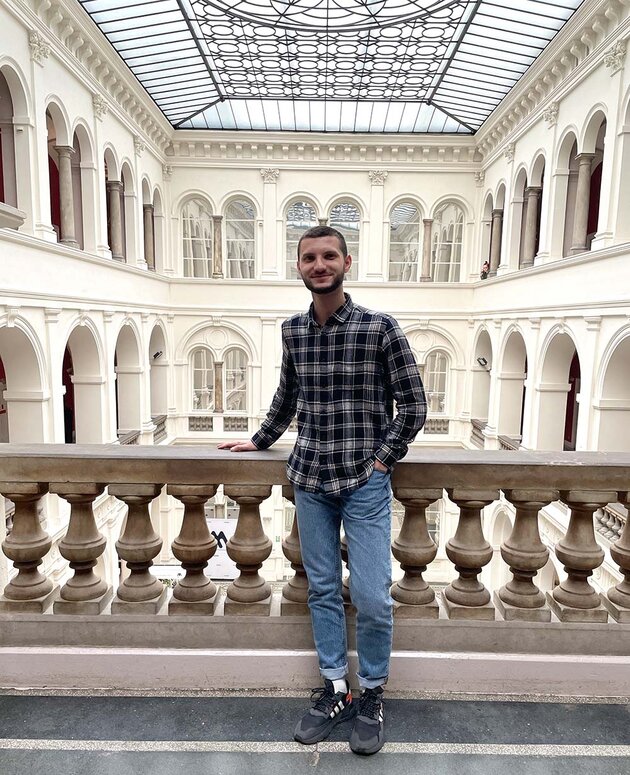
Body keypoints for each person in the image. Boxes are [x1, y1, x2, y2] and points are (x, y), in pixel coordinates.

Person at [218, 226, 426, 756]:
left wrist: (382, 461)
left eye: (328, 255)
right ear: (299, 267)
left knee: (375, 597)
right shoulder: (293, 332)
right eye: (309, 257)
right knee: (322, 591)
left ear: (347, 262)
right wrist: (259, 440)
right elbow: (288, 397)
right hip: (310, 479)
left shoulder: (380, 328)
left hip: (364, 483)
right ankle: (336, 687)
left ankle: (372, 694)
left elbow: (414, 406)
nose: (319, 264)